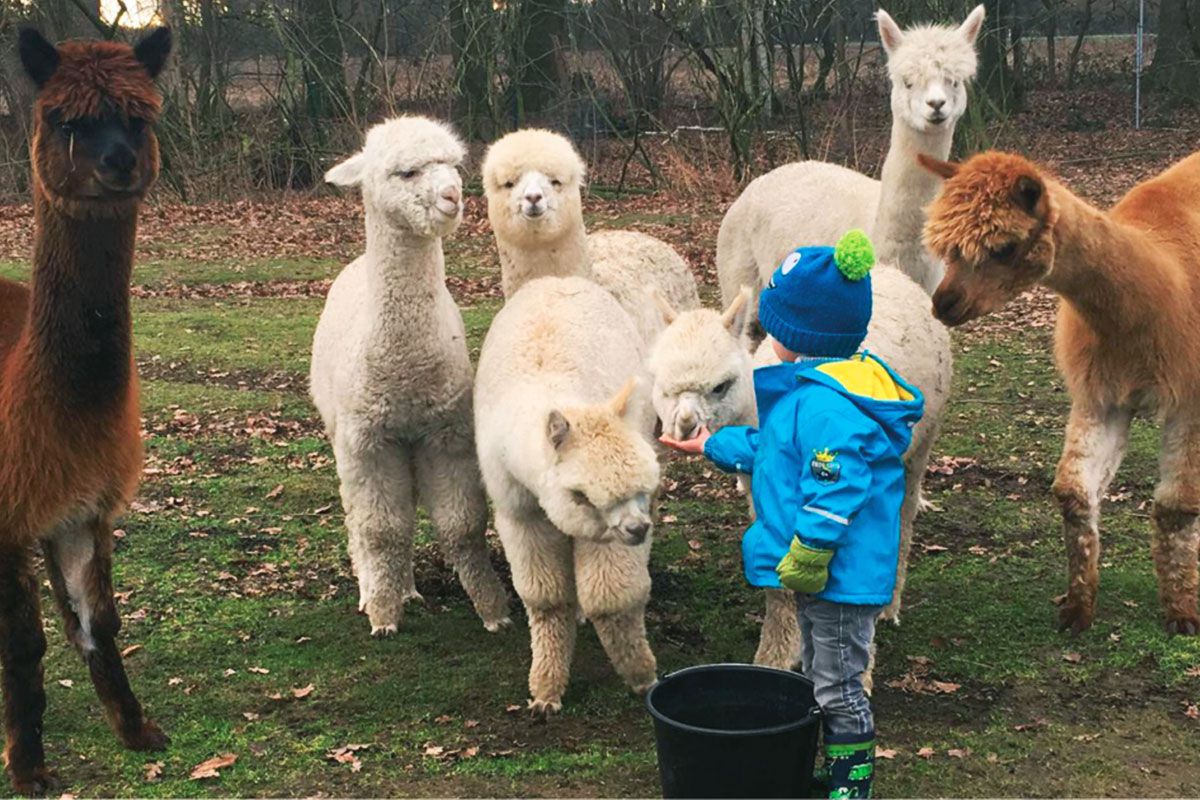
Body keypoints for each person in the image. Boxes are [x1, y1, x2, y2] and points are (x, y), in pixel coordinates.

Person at [661, 230, 923, 799]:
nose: (766, 334)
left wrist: (809, 553)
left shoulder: (826, 408)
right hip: (825, 576)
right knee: (819, 673)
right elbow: (773, 452)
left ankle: (851, 785)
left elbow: (837, 488)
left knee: (839, 685)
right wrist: (711, 445)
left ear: (797, 336)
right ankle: (819, 765)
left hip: (838, 578)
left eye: (772, 324)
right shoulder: (810, 392)